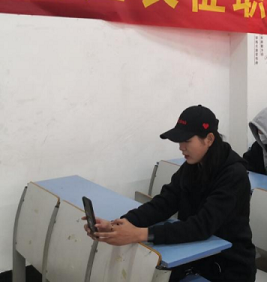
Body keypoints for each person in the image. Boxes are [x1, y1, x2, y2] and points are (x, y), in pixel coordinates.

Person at [83, 105, 256, 281]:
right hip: (195, 258)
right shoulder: (192, 166)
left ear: (209, 139)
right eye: (179, 141)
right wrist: (119, 224)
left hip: (229, 266)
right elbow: (163, 203)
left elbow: (202, 226)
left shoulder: (233, 174)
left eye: (186, 141)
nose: (181, 147)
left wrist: (140, 234)